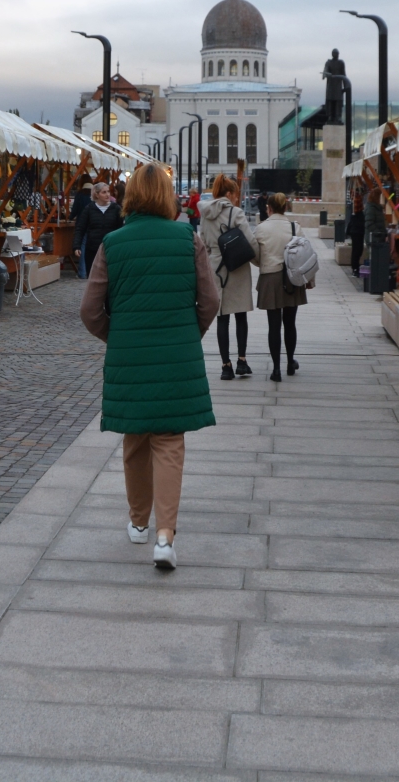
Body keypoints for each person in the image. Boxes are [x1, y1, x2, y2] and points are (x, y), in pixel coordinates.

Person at [80, 163, 220, 570]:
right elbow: (210, 301)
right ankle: (165, 537)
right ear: (165, 196)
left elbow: (90, 311)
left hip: (129, 355)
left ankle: (139, 523)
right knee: (169, 441)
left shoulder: (113, 243)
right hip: (177, 354)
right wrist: (185, 333)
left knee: (135, 438)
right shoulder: (186, 239)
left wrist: (117, 336)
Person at [198, 175, 256, 380]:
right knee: (241, 315)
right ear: (229, 194)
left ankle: (226, 366)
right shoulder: (235, 212)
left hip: (216, 268)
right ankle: (242, 361)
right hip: (237, 266)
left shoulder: (205, 214)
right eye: (235, 194)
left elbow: (202, 243)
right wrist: (259, 262)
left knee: (222, 318)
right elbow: (250, 241)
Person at [254, 192, 308, 381]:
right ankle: (290, 361)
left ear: (268, 208)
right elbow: (305, 254)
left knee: (273, 325)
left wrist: (264, 264)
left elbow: (255, 254)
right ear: (285, 207)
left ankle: (276, 369)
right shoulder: (295, 227)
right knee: (290, 323)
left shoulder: (261, 228)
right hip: (291, 278)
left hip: (270, 277)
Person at [73, 182, 123, 279]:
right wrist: (76, 246)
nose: (107, 194)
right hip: (93, 249)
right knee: (93, 277)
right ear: (97, 194)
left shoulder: (116, 209)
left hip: (111, 248)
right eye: (104, 192)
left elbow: (121, 228)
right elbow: (80, 228)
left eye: (108, 192)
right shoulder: (89, 209)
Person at [346, 185, 367, 277]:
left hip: (357, 231)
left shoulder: (356, 212)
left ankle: (355, 268)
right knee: (357, 250)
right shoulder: (357, 211)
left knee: (357, 250)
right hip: (357, 232)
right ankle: (355, 268)